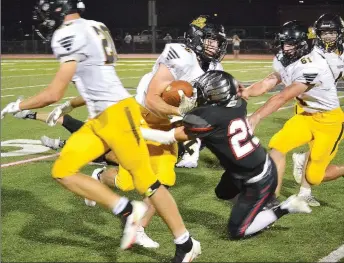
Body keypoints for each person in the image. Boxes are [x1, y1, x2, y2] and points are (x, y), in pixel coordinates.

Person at [1, 1, 200, 261]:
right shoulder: (96, 25)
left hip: (117, 114)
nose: (43, 16)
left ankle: (185, 243)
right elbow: (94, 75)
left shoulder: (66, 34)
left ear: (58, 9)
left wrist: (18, 105)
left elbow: (53, 92)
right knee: (62, 171)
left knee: (147, 182)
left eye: (45, 9)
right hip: (101, 117)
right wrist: (72, 103)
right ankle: (127, 210)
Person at [141, 70, 312, 239]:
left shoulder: (208, 118)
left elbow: (168, 137)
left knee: (237, 232)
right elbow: (216, 112)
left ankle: (285, 207)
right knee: (223, 192)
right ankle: (253, 210)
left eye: (204, 92)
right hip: (245, 167)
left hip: (259, 178)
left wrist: (138, 132)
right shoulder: (238, 105)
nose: (198, 94)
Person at [242, 21, 344, 206]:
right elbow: (270, 81)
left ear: (303, 44)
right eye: (284, 43)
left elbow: (283, 97)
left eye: (290, 44)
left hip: (329, 122)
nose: (285, 48)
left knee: (313, 177)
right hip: (306, 116)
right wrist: (247, 91)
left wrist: (257, 116)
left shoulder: (314, 65)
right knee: (277, 146)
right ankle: (270, 199)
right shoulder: (284, 58)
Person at [151, 14, 228, 169]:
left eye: (218, 42)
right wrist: (183, 112)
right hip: (156, 114)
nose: (215, 46)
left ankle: (220, 150)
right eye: (211, 40)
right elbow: (153, 98)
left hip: (182, 118)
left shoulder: (214, 66)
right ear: (197, 37)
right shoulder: (181, 55)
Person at [292, 14, 344, 206]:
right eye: (324, 33)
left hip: (328, 108)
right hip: (310, 106)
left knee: (321, 152)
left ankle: (302, 160)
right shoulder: (311, 52)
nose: (328, 37)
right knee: (317, 152)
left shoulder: (341, 52)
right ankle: (304, 192)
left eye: (332, 32)